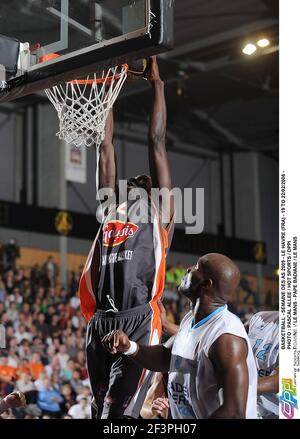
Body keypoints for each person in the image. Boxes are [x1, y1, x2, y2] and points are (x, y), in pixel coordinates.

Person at [79, 57, 174, 419]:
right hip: (101, 319)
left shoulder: (160, 214)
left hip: (137, 319)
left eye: (142, 183)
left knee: (115, 416)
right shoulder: (109, 209)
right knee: (97, 410)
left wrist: (158, 85)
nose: (134, 184)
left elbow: (157, 141)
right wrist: (108, 91)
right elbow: (105, 147)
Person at [102, 253, 258, 419]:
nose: (189, 269)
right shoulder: (191, 318)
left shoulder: (227, 338)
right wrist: (129, 347)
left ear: (206, 284)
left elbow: (234, 412)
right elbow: (166, 356)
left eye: (197, 268)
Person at [245, 311, 279, 418]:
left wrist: (237, 388)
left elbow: (281, 381)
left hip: (276, 412)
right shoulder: (259, 318)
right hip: (247, 407)